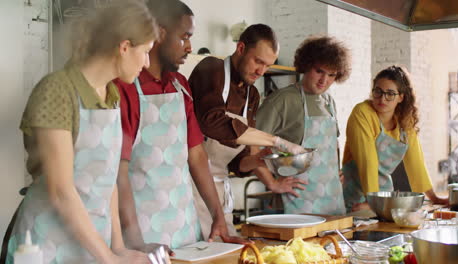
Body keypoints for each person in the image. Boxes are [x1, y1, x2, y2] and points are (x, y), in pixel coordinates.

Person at [5, 1, 158, 263]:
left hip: (91, 248)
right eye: (145, 52)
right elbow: (61, 191)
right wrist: (110, 259)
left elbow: (107, 180)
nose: (146, 63)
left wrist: (117, 247)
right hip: (45, 245)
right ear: (124, 47)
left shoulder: (111, 94)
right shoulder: (57, 91)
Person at [114, 0, 246, 252]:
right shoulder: (125, 88)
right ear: (160, 34)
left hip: (186, 228)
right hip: (142, 233)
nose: (189, 47)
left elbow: (196, 155)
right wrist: (134, 242)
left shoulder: (180, 84)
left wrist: (218, 215)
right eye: (184, 37)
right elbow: (119, 173)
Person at [189, 24, 308, 238]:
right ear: (241, 48)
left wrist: (267, 172)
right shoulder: (211, 69)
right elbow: (212, 122)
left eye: (267, 66)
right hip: (189, 190)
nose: (261, 71)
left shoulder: (251, 95)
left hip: (219, 195)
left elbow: (239, 162)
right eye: (258, 61)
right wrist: (278, 142)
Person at [256, 36, 351, 215]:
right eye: (319, 71)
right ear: (306, 65)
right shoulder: (283, 100)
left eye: (331, 75)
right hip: (297, 199)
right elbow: (251, 144)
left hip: (332, 198)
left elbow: (333, 144)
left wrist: (336, 172)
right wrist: (272, 183)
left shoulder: (328, 101)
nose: (324, 80)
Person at [342, 65, 448, 212]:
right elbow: (368, 161)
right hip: (355, 197)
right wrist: (372, 202)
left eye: (390, 93)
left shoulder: (404, 120)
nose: (382, 98)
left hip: (384, 198)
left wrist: (434, 198)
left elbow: (416, 162)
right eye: (378, 91)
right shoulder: (362, 113)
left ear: (401, 97)